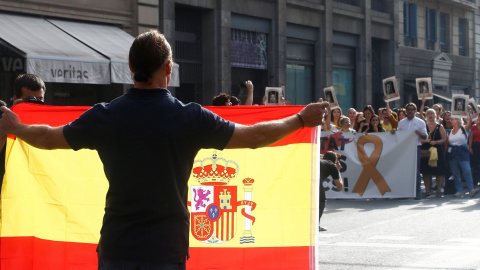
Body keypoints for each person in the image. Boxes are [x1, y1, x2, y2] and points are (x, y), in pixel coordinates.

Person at [0, 30, 329, 269]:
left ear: (131, 67)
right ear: (168, 69)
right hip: (166, 249)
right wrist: (300, 119)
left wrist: (15, 126)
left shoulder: (106, 115)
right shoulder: (189, 117)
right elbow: (255, 136)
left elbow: (47, 138)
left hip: (117, 245)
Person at [392, 103, 427, 200]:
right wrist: (394, 132)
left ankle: (417, 192)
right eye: (408, 109)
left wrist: (419, 133)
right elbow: (399, 135)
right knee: (404, 170)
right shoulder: (401, 122)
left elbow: (425, 136)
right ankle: (404, 192)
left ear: (415, 111)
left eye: (412, 109)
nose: (410, 111)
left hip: (416, 148)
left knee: (416, 171)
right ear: (406, 111)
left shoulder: (420, 122)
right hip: (404, 149)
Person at [445, 117, 479, 198]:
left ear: (457, 120)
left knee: (467, 170)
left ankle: (471, 189)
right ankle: (459, 191)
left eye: (452, 119)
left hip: (462, 152)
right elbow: (448, 143)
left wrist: (468, 112)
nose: (451, 120)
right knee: (455, 173)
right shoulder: (450, 131)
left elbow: (470, 121)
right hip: (453, 153)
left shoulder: (463, 129)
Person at [420, 109, 447, 198]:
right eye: (428, 114)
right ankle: (427, 191)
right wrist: (426, 141)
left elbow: (444, 139)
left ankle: (439, 191)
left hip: (436, 150)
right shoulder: (424, 126)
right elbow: (419, 139)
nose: (430, 115)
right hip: (426, 150)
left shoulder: (440, 126)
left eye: (432, 113)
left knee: (438, 171)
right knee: (426, 171)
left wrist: (436, 142)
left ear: (435, 115)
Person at [319, 151, 344, 232]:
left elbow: (321, 155)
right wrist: (338, 170)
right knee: (321, 200)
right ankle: (315, 224)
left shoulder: (317, 159)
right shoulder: (332, 165)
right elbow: (340, 186)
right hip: (315, 182)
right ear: (335, 161)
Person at [469, 118, 480, 188]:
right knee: (476, 165)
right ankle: (475, 182)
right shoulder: (474, 126)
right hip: (475, 146)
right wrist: (470, 147)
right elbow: (471, 137)